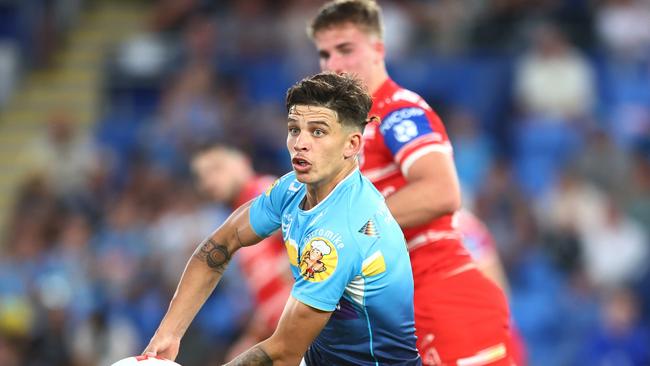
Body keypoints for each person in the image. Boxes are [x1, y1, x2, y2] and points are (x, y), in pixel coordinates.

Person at [144, 72, 422, 365]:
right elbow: (220, 245)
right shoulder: (290, 189)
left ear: (351, 145)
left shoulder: (337, 233)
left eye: (318, 132)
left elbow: (283, 354)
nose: (300, 143)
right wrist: (169, 332)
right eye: (294, 129)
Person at [308, 1, 514, 364]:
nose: (333, 65)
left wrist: (346, 226)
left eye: (345, 49)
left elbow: (441, 192)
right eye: (325, 54)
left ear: (378, 49)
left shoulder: (400, 112)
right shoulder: (348, 136)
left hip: (443, 296)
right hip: (392, 313)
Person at [191, 145, 293, 358]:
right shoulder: (235, 221)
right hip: (281, 331)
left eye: (217, 169)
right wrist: (255, 334)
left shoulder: (266, 193)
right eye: (202, 177)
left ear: (243, 163)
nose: (209, 182)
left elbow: (311, 244)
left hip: (305, 328)